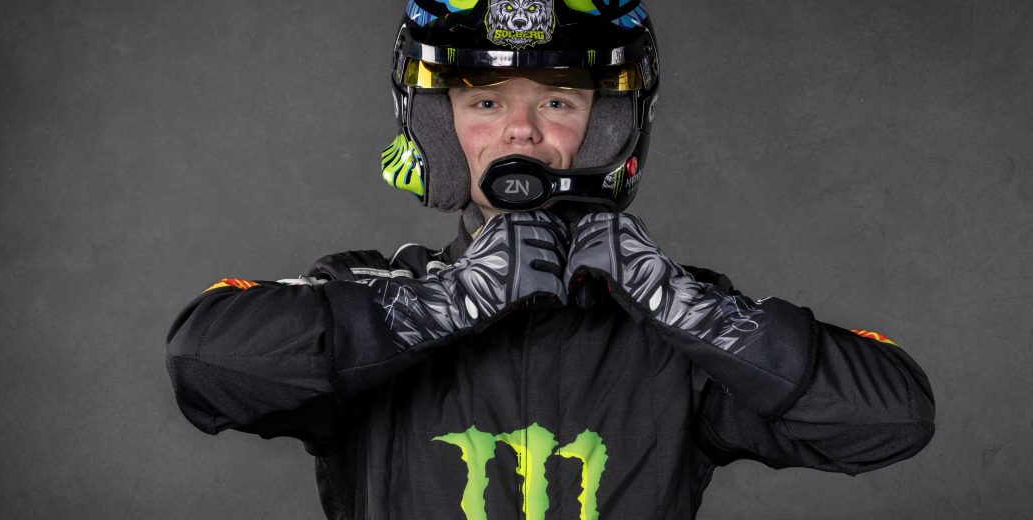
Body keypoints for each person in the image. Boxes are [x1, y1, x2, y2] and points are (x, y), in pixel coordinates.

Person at [166, 1, 935, 518]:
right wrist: (440, 304)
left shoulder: (676, 329)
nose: (522, 131)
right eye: (486, 101)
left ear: (610, 127)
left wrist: (688, 308)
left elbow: (893, 418)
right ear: (438, 128)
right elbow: (205, 360)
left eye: (558, 101)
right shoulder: (375, 292)